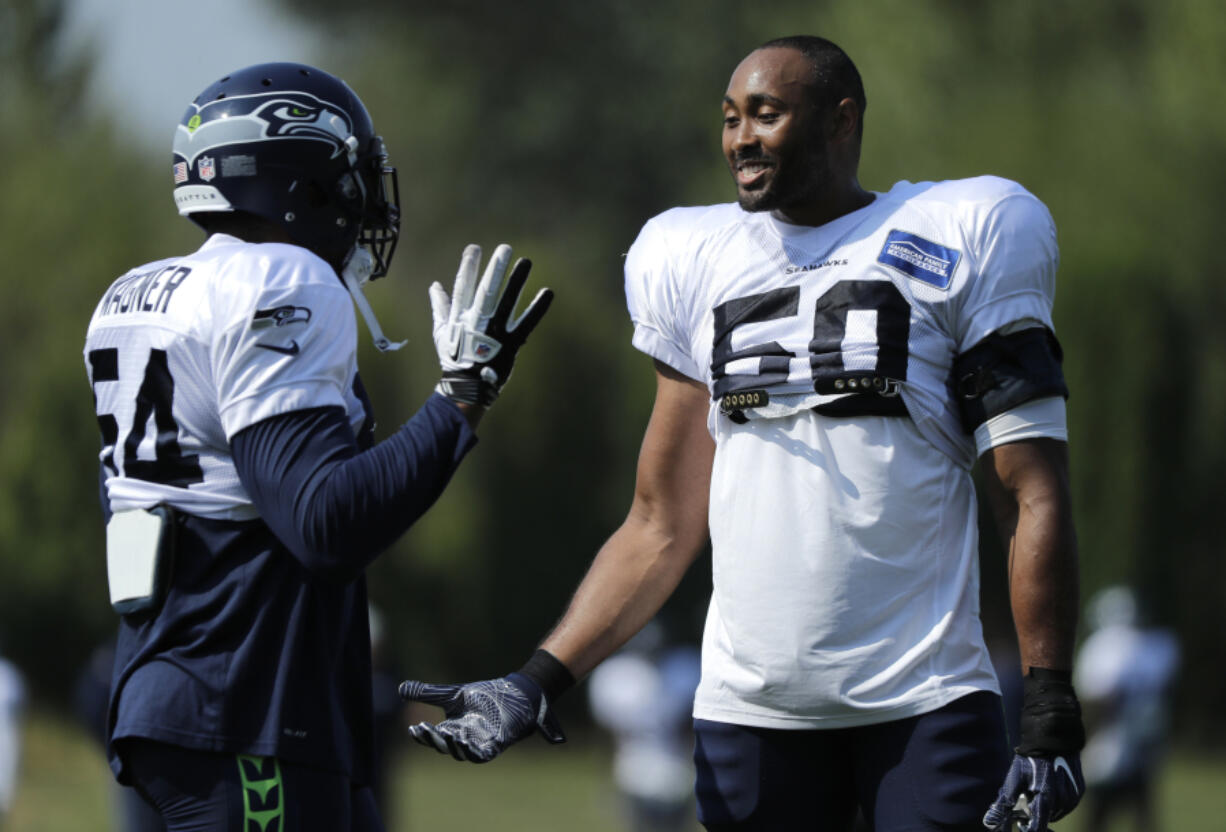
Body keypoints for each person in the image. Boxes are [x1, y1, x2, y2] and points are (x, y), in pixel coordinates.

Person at [400, 35, 1084, 832]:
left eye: (766, 113)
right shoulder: (695, 256)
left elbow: (1030, 490)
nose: (740, 138)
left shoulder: (968, 229)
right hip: (749, 709)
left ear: (841, 120)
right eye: (730, 118)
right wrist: (536, 681)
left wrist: (1048, 709)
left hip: (923, 697)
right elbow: (660, 522)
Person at [83, 62, 551, 831]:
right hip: (247, 705)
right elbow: (325, 522)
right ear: (300, 178)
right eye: (353, 173)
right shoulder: (282, 276)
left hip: (169, 692)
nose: (365, 196)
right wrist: (462, 397)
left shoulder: (136, 292)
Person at [1074, 586, 1180, 832]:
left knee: (1098, 815)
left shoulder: (1102, 647)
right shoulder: (1157, 646)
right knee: (1143, 815)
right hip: (1144, 742)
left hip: (1110, 742)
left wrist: (1085, 738)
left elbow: (1098, 700)